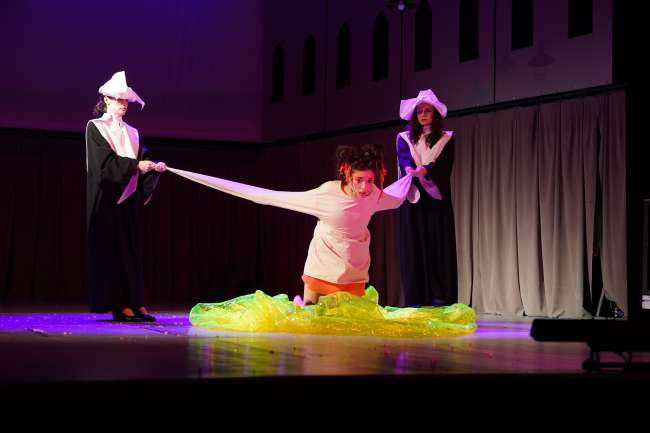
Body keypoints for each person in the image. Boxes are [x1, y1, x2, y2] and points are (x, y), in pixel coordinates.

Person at [170, 144, 409, 306]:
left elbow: (396, 198)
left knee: (351, 320)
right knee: (310, 312)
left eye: (370, 180)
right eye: (360, 180)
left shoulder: (375, 195)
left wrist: (411, 178)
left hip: (354, 264)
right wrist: (256, 195)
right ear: (347, 175)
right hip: (324, 261)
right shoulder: (327, 193)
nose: (365, 187)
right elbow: (282, 198)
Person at [85, 71, 167, 322]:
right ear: (106, 100)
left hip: (128, 199)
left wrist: (153, 167)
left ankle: (135, 301)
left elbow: (141, 156)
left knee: (130, 250)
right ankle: (119, 304)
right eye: (119, 99)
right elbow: (103, 165)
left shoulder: (133, 132)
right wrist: (136, 166)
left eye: (126, 100)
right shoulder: (95, 127)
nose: (123, 104)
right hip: (107, 200)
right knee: (112, 252)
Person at [396, 89, 458, 307]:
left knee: (437, 244)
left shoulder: (446, 138)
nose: (423, 114)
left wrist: (426, 170)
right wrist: (410, 169)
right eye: (419, 111)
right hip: (414, 199)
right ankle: (416, 297)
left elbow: (444, 165)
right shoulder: (404, 138)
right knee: (414, 244)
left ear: (434, 114)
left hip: (436, 199)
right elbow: (404, 159)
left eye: (427, 111)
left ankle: (440, 296)